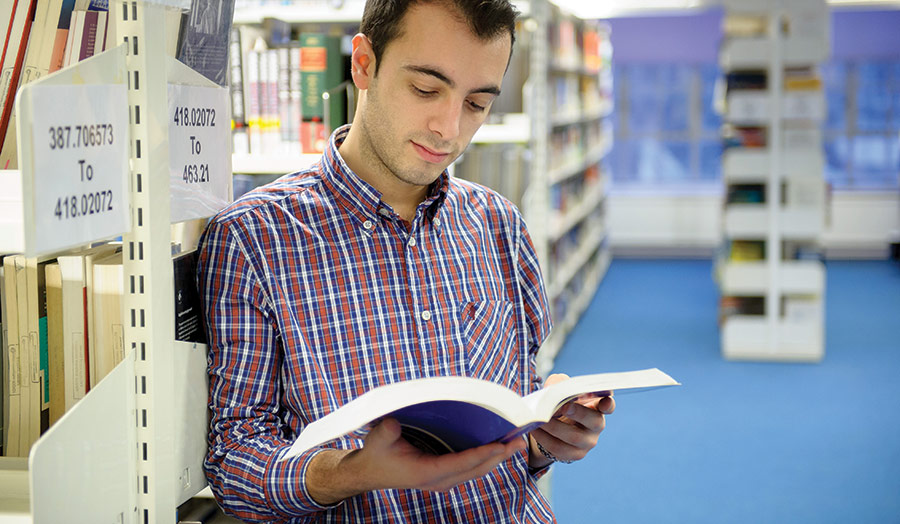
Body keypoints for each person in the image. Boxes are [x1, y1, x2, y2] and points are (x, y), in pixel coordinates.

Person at [196, 0, 615, 521]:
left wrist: (550, 435)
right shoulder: (254, 237)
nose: (448, 129)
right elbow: (234, 459)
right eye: (426, 89)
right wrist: (352, 472)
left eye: (478, 103)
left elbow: (517, 423)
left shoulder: (499, 224)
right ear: (364, 64)